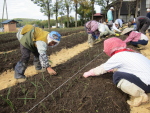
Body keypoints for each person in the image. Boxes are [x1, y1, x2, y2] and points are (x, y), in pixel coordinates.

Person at [83, 37, 150, 107]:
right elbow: (129, 68)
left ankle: (140, 96)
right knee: (119, 71)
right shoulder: (132, 52)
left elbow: (102, 68)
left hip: (148, 85)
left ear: (110, 49)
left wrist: (89, 73)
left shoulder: (118, 56)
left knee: (117, 76)